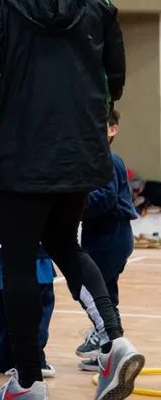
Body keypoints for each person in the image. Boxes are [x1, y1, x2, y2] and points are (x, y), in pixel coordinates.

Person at [0, 0, 141, 400]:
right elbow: (111, 79)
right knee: (64, 242)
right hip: (78, 150)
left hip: (16, 156)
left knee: (16, 261)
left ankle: (28, 382)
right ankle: (115, 341)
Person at [76, 107, 139, 371]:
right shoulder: (91, 158)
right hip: (101, 234)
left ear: (112, 130)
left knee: (86, 288)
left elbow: (104, 199)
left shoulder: (109, 160)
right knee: (106, 291)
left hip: (112, 234)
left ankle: (108, 339)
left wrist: (73, 204)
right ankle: (110, 348)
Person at [0, 196, 58, 379]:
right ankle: (29, 359)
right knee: (36, 304)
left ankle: (10, 359)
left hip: (7, 246)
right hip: (25, 246)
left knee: (3, 305)